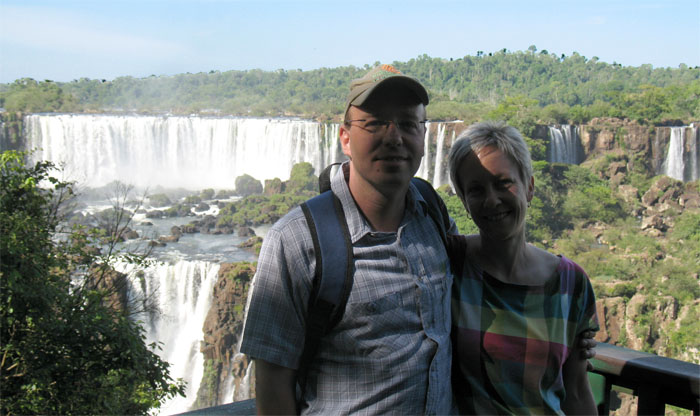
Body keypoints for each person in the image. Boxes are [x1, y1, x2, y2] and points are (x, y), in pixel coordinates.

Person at [240, 64, 457, 414]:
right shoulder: (295, 240)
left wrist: (568, 312)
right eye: (374, 123)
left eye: (407, 123)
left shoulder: (433, 213)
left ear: (422, 134)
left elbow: (481, 274)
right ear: (345, 138)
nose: (394, 137)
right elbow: (273, 383)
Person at [447, 121, 600, 415]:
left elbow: (577, 392)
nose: (492, 200)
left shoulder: (570, 284)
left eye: (503, 183)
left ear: (529, 187)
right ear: (464, 201)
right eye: (476, 190)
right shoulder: (448, 264)